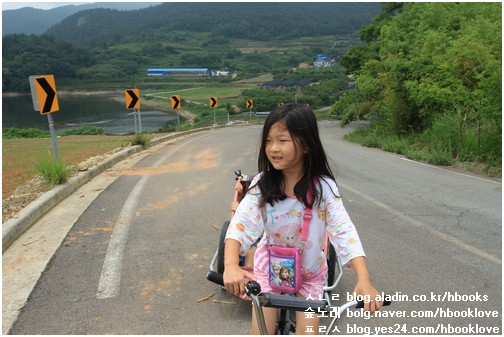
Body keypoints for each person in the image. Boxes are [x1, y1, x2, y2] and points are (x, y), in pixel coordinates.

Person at [223, 103, 383, 335]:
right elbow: (240, 225)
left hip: (309, 275)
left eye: (283, 140)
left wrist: (364, 280)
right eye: (268, 141)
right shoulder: (262, 184)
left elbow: (344, 231)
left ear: (307, 144)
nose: (273, 148)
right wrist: (230, 266)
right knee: (260, 333)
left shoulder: (323, 188)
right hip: (269, 270)